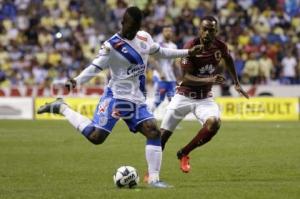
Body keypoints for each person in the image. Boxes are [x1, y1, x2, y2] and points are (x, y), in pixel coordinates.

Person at [37, 6, 202, 188]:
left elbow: (161, 52)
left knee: (153, 132)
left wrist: (187, 52)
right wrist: (76, 81)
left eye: (136, 26)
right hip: (115, 97)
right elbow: (95, 67)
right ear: (123, 22)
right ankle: (62, 107)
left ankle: (154, 180)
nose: (132, 30)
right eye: (130, 26)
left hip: (136, 99)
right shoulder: (111, 46)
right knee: (96, 137)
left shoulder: (144, 37)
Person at [160, 16, 249, 173]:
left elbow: (228, 59)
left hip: (204, 98)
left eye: (211, 30)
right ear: (199, 30)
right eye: (205, 29)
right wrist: (211, 79)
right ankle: (152, 173)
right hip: (184, 96)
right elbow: (186, 77)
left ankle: (184, 152)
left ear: (216, 31)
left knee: (214, 123)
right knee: (161, 137)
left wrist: (236, 82)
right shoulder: (191, 47)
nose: (207, 33)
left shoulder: (220, 46)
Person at [150, 25, 179, 112]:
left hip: (171, 78)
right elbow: (152, 60)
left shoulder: (174, 46)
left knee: (173, 101)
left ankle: (170, 123)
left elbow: (174, 63)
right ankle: (146, 118)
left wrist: (179, 75)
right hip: (160, 78)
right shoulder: (158, 45)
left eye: (170, 31)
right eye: (166, 31)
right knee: (158, 101)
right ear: (162, 33)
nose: (168, 33)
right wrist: (160, 72)